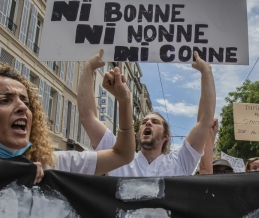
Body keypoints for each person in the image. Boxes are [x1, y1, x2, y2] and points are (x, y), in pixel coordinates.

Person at [0, 62, 135, 183]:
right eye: (4, 100)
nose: (22, 107)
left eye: (26, 101)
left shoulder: (52, 164)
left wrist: (124, 101)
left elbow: (122, 154)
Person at [78, 49, 216, 177]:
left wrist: (206, 70)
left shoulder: (180, 161)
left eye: (155, 122)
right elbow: (88, 118)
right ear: (139, 134)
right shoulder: (117, 157)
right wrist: (88, 67)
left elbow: (204, 121)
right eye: (144, 122)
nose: (148, 122)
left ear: (166, 136)